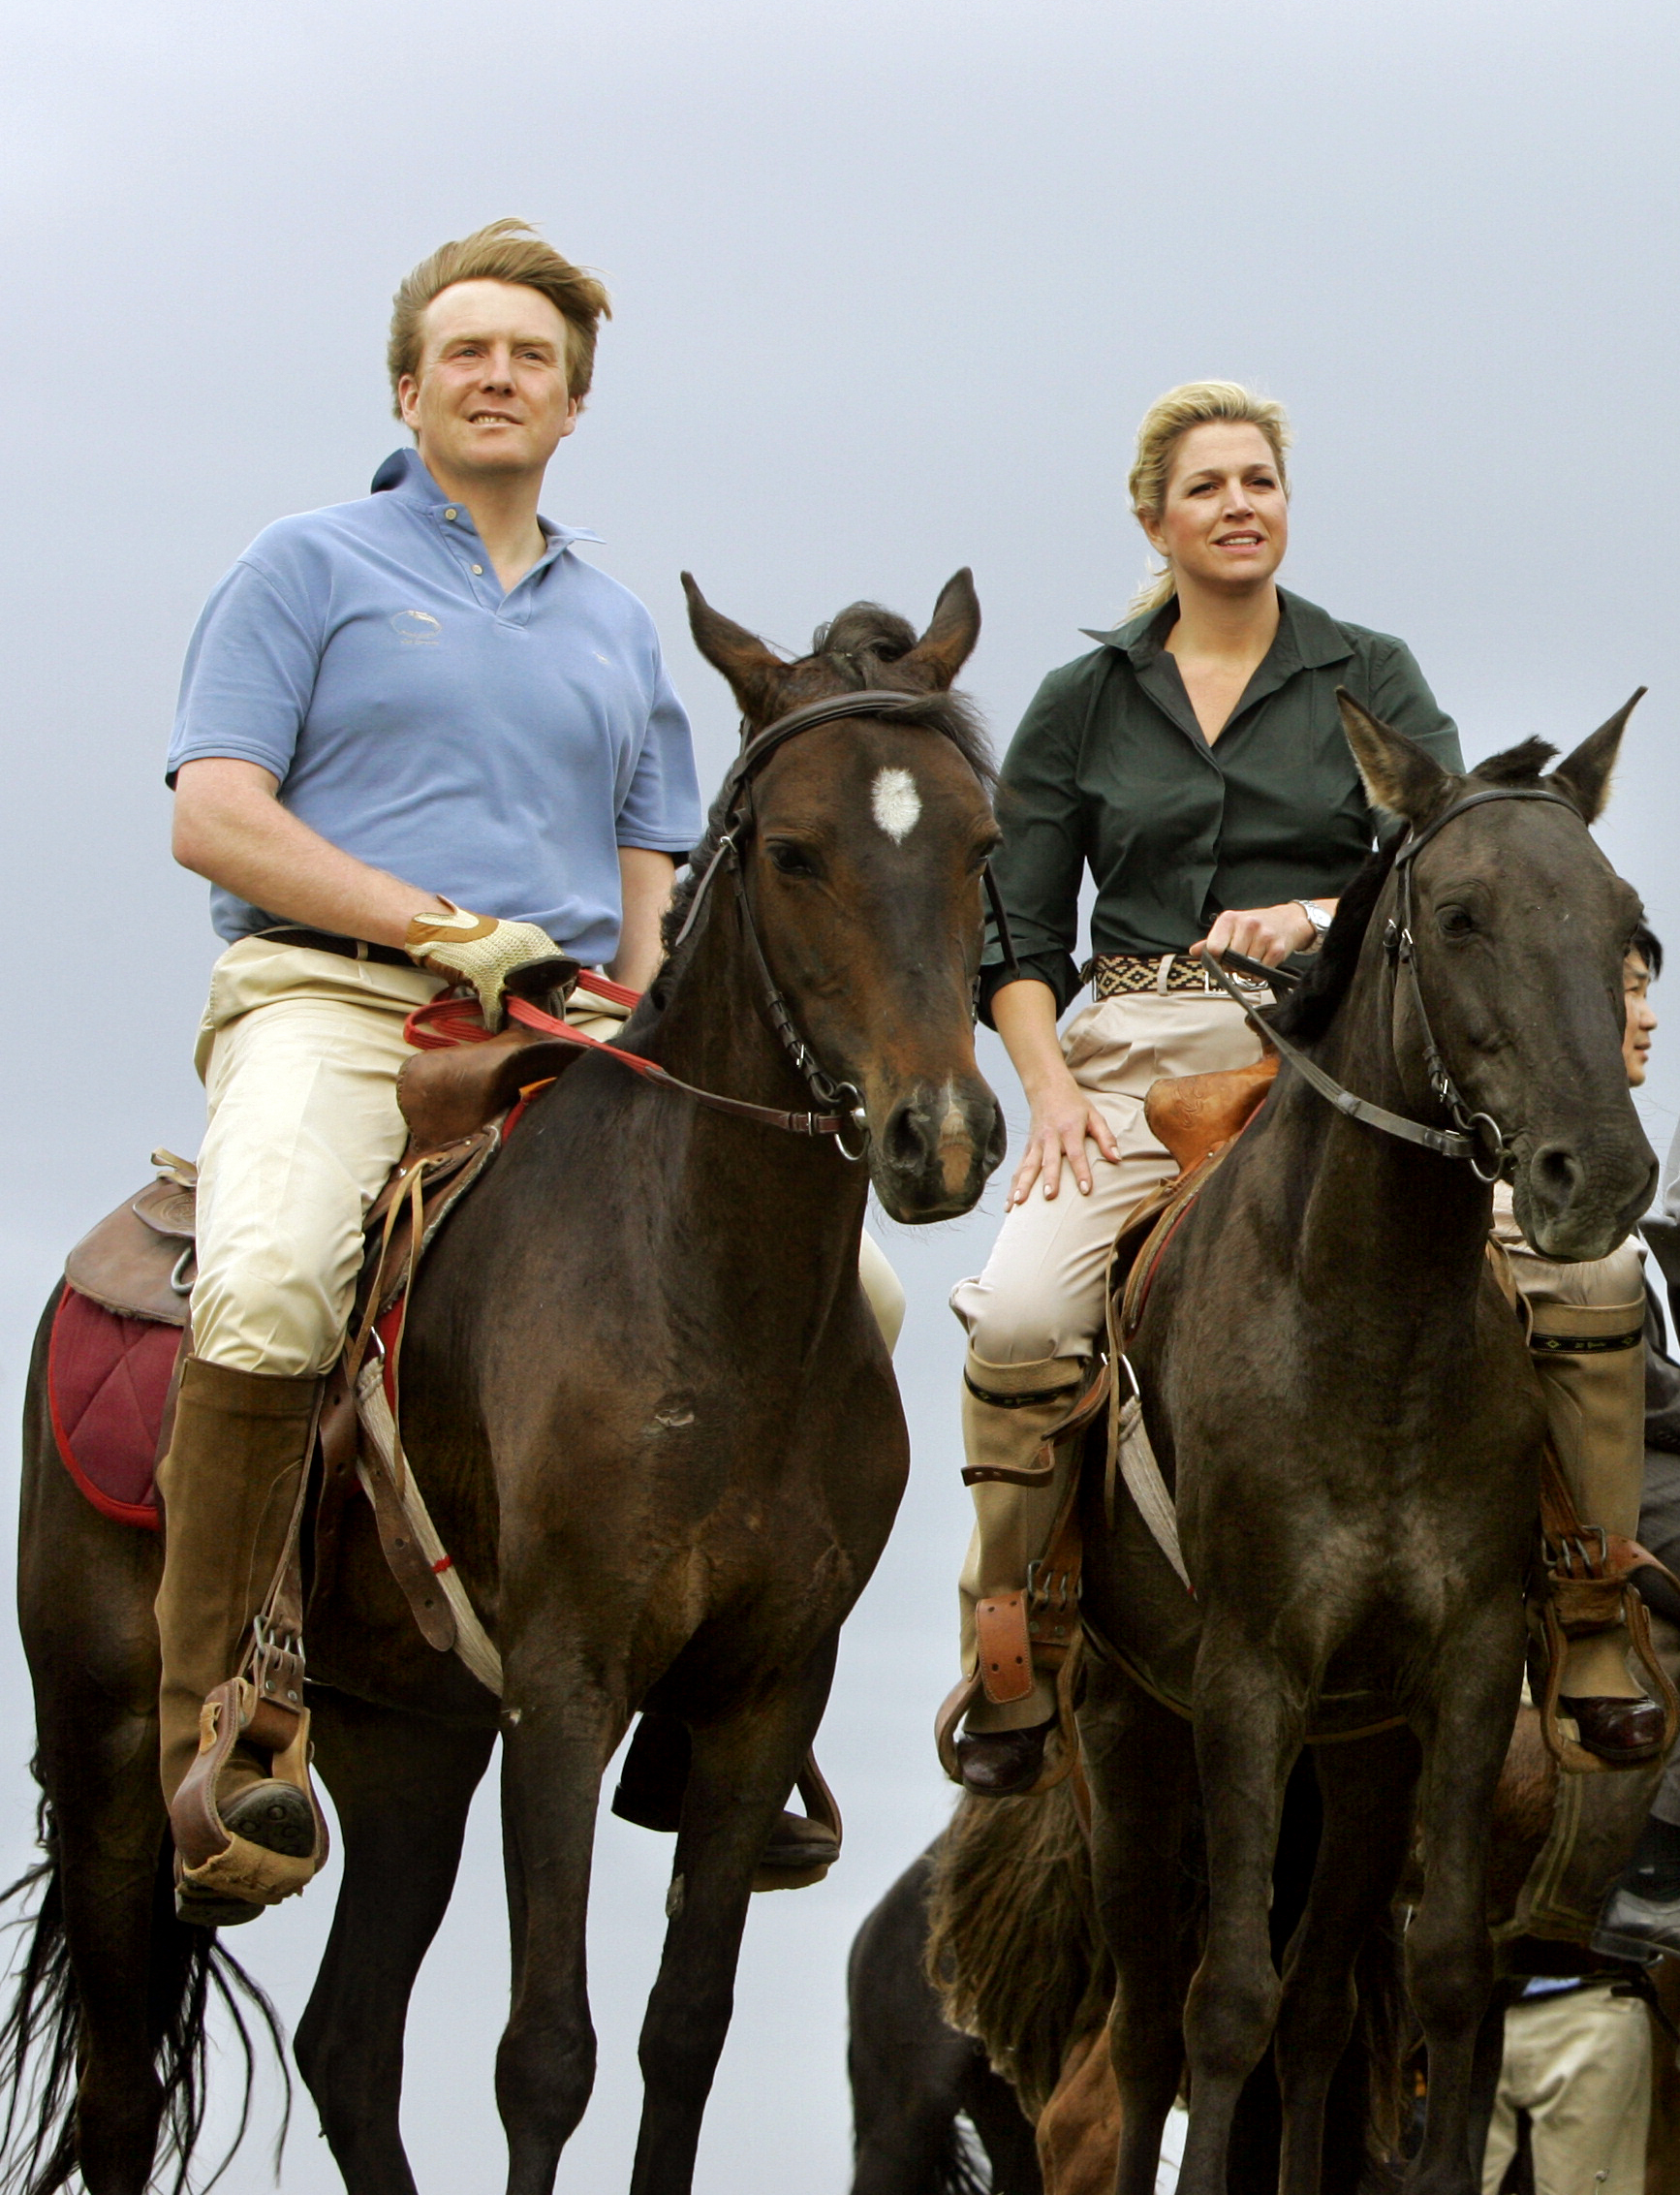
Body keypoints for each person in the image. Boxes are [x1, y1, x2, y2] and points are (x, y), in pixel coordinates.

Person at [157, 219, 708, 1923]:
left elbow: (650, 878)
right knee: (261, 1282)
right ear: (409, 386)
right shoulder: (303, 563)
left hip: (561, 1028)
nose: (496, 376)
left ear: (571, 404)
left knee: (858, 1296)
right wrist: (436, 922)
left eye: (529, 357)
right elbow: (213, 811)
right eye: (465, 351)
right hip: (339, 1003)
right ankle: (226, 1723)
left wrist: (640, 1005)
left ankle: (712, 1711)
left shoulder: (621, 628)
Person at [946, 380, 1465, 1795]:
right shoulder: (1081, 701)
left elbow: (1441, 855)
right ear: (1152, 517)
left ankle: (1582, 1595)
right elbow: (1015, 929)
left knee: (1566, 1284)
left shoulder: (1371, 669)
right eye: (1207, 487)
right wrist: (1048, 1089)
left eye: (1260, 481)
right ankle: (1016, 1623)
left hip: (1336, 1055)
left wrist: (1308, 913)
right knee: (1024, 1319)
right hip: (1132, 1043)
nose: (1239, 505)